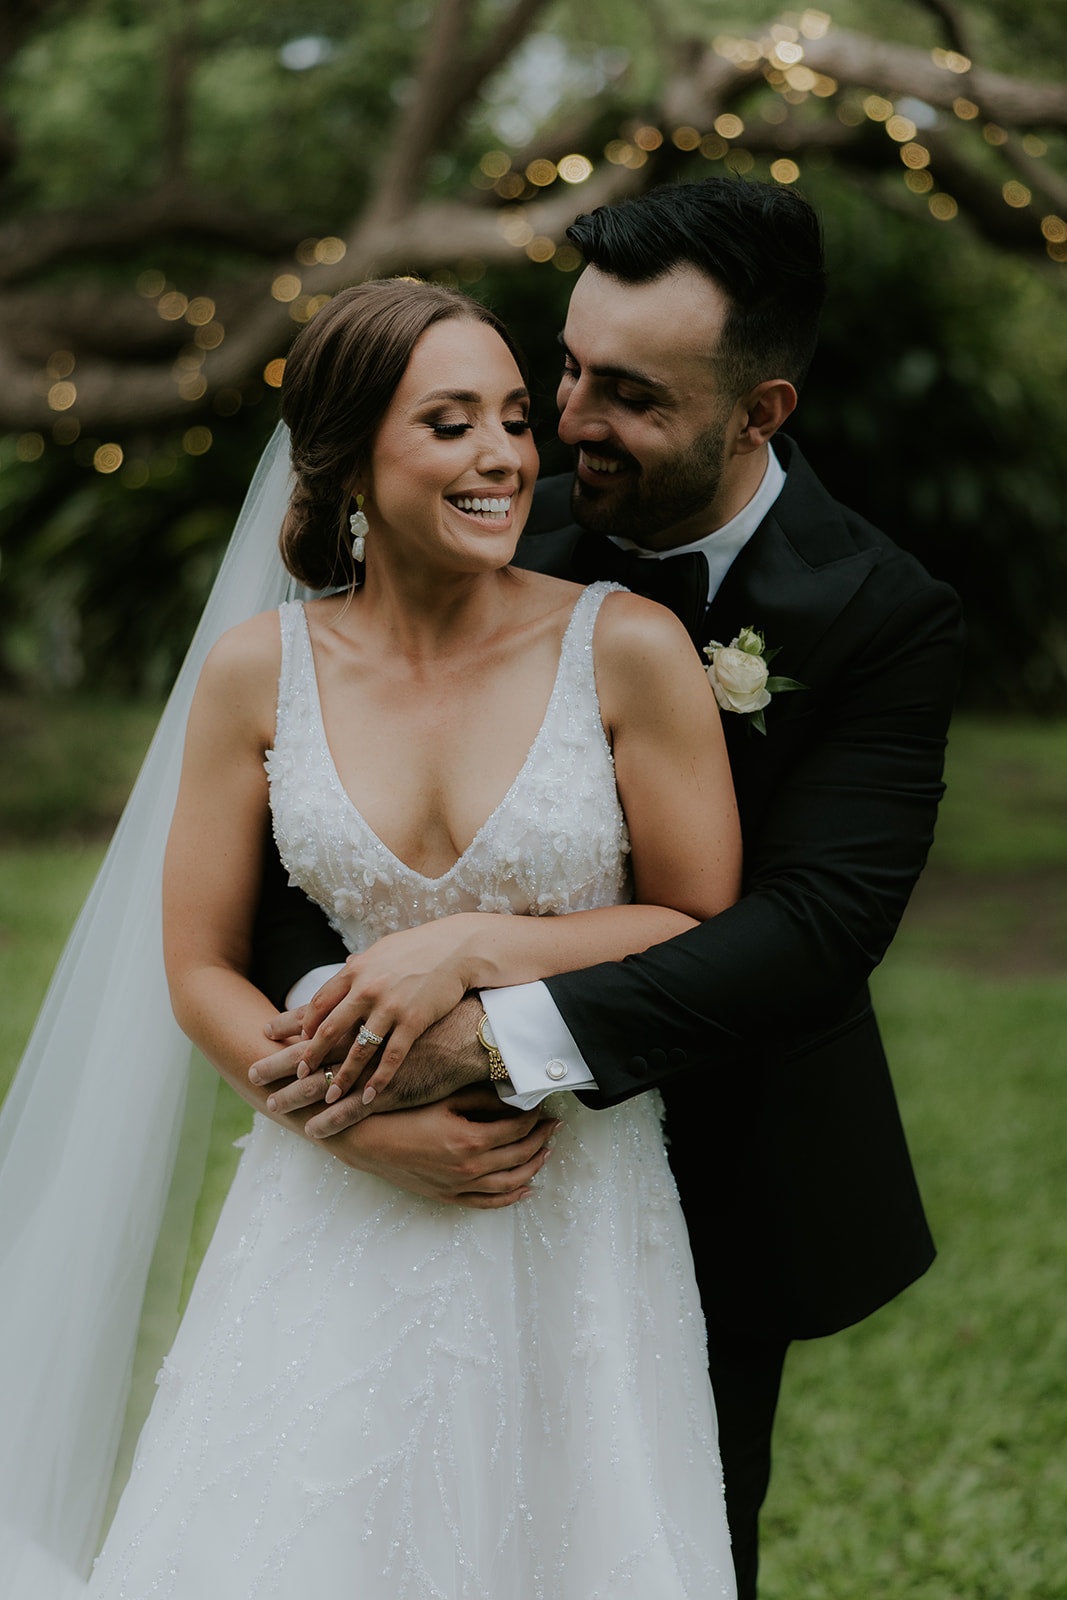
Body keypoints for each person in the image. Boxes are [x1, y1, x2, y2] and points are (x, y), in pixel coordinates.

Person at [249, 179, 966, 1599]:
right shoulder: (489, 521)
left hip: (726, 1158)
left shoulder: (883, 613)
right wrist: (351, 1083)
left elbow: (814, 930)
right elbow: (301, 835)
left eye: (628, 394)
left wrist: (486, 1033)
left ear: (760, 411)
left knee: (659, 1544)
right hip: (408, 1149)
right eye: (567, 365)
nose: (564, 424)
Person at [0, 279, 743, 1597]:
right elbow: (198, 971)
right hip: (327, 1198)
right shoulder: (257, 670)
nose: (506, 455)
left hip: (563, 1192)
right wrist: (349, 1126)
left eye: (514, 418)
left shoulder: (624, 648)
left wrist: (467, 948)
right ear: (350, 462)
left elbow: (693, 915)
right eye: (449, 423)